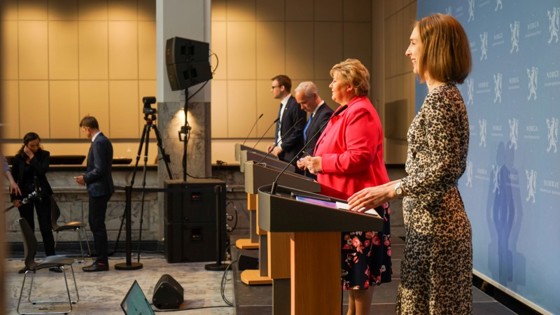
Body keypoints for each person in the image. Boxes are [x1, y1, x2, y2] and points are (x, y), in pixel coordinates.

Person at [347, 13, 473, 314]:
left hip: (438, 230)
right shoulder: (440, 97)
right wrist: (387, 186)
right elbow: (432, 168)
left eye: (413, 43)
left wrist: (391, 190)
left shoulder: (442, 99)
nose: (407, 51)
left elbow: (446, 167)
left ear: (435, 47)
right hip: (427, 226)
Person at [299, 59, 392, 315]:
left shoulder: (360, 111)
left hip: (360, 204)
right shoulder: (345, 110)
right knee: (353, 274)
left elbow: (359, 157)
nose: (330, 85)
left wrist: (320, 163)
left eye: (335, 80)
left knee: (360, 273)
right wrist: (314, 161)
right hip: (344, 204)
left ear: (350, 85)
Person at [10, 132, 59, 273]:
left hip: (41, 194)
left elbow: (42, 170)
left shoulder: (44, 155)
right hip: (24, 195)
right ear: (25, 145)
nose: (36, 147)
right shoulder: (18, 158)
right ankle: (29, 263)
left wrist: (32, 157)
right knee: (28, 229)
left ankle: (53, 262)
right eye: (32, 146)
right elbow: (14, 180)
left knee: (45, 227)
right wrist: (14, 198)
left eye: (37, 144)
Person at [75, 116, 114, 272]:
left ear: (87, 128)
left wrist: (84, 178)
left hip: (99, 190)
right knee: (97, 224)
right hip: (101, 189)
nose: (84, 133)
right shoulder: (103, 141)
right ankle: (100, 258)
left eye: (83, 130)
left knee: (96, 225)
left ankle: (101, 262)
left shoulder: (98, 142)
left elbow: (99, 169)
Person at [293, 81, 334, 179]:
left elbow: (325, 145)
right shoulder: (314, 113)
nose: (302, 108)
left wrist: (308, 160)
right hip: (309, 167)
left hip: (317, 171)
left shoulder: (325, 114)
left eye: (304, 103)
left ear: (314, 96)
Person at [267, 74, 307, 165]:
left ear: (282, 88)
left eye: (273, 87)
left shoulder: (295, 104)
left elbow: (298, 130)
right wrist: (276, 144)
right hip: (283, 155)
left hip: (292, 156)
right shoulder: (283, 104)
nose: (271, 90)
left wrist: (281, 147)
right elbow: (285, 130)